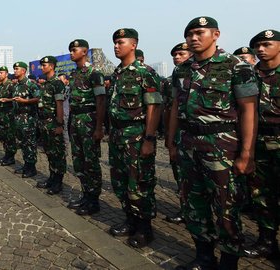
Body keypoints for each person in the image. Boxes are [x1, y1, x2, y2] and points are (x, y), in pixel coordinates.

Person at [168, 17, 258, 270]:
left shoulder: (236, 66)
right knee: (193, 204)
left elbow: (248, 110)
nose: (193, 38)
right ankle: (204, 257)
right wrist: (172, 143)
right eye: (189, 35)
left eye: (199, 33)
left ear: (216, 34)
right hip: (189, 144)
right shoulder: (182, 70)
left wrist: (247, 154)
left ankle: (229, 262)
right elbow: (175, 107)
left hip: (222, 146)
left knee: (226, 207)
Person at [108, 29, 162, 248]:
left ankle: (144, 228)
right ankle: (130, 220)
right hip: (117, 135)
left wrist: (149, 138)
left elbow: (154, 107)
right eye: (114, 43)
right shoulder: (117, 73)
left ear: (133, 45)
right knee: (120, 182)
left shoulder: (145, 72)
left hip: (137, 135)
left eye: (120, 42)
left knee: (139, 182)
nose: (116, 46)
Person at [242, 29, 280, 259]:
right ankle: (266, 240)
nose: (261, 49)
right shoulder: (248, 76)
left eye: (267, 44)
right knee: (260, 194)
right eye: (258, 46)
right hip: (258, 142)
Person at [65, 39, 106, 216]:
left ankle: (94, 200)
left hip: (89, 120)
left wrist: (99, 127)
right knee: (79, 161)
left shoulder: (94, 73)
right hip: (75, 120)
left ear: (85, 51)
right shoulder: (74, 74)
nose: (71, 53)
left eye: (74, 50)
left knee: (91, 162)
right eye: (70, 50)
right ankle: (86, 194)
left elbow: (101, 101)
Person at [164, 42, 193, 225]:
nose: (177, 57)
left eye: (181, 53)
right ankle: (186, 209)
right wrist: (169, 135)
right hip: (180, 131)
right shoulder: (174, 77)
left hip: (208, 134)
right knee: (181, 175)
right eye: (174, 55)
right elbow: (169, 107)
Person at [35, 56, 67, 195]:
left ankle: (58, 182)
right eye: (41, 65)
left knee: (57, 153)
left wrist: (60, 124)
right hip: (44, 123)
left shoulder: (57, 83)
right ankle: (52, 177)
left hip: (53, 122)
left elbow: (59, 105)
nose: (42, 67)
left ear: (52, 66)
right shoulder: (45, 84)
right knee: (49, 152)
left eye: (44, 65)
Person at [12, 62, 40, 178]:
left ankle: (32, 168)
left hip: (28, 118)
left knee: (30, 143)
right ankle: (26, 164)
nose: (15, 71)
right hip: (18, 118)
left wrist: (25, 102)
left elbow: (38, 98)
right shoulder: (16, 85)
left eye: (17, 69)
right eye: (14, 69)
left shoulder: (31, 84)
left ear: (23, 71)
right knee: (23, 143)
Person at [0, 66, 17, 166]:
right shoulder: (0, 86)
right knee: (4, 136)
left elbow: (16, 98)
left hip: (9, 115)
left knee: (10, 136)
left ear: (7, 74)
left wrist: (7, 100)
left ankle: (11, 157)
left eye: (1, 73)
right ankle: (6, 155)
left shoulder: (11, 85)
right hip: (2, 114)